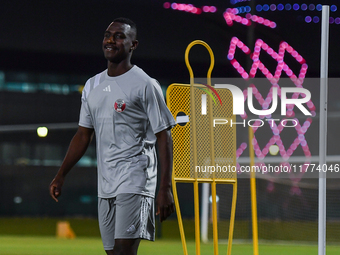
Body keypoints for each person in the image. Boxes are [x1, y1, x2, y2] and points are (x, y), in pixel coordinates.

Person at [49, 17, 176, 255]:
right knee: (113, 253)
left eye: (119, 36)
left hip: (136, 179)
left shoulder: (145, 84)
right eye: (108, 35)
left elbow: (164, 136)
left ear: (133, 45)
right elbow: (82, 135)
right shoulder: (92, 85)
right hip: (106, 184)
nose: (110, 40)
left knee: (122, 252)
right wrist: (61, 174)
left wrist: (164, 187)